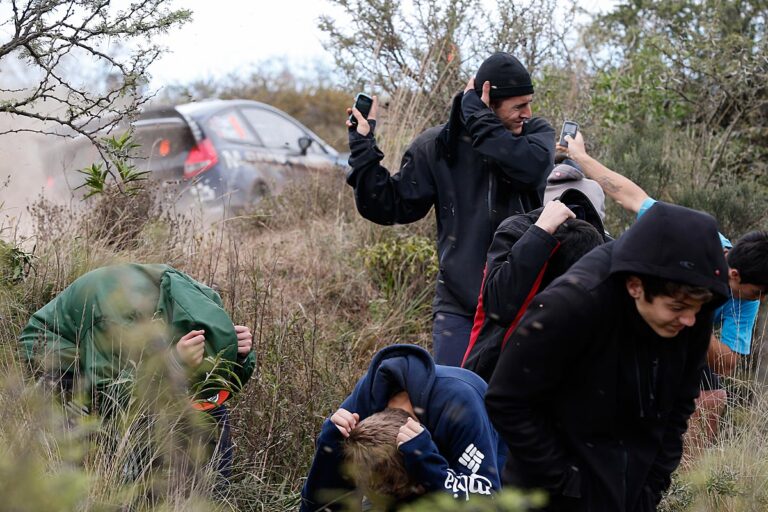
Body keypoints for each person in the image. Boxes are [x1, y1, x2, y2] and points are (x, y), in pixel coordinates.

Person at [485, 202, 731, 511]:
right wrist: (564, 480)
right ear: (635, 286)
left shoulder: (693, 302)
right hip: (550, 489)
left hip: (632, 487)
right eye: (677, 309)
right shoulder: (571, 306)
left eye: (697, 309)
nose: (689, 321)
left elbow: (678, 409)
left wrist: (651, 488)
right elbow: (507, 399)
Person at [346, 52, 555, 366]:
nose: (528, 112)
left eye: (529, 102)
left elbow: (529, 168)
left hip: (524, 300)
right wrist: (362, 148)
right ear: (489, 101)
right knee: (454, 401)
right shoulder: (437, 146)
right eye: (518, 105)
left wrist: (475, 113)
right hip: (459, 304)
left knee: (512, 409)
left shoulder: (535, 137)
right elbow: (389, 207)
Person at [563, 131, 768, 443]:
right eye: (759, 292)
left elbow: (727, 363)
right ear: (735, 274)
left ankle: (689, 484)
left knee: (713, 397)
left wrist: (698, 313)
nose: (760, 300)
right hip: (628, 316)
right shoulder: (691, 238)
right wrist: (580, 157)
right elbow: (628, 195)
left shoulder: (744, 298)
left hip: (678, 336)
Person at [18, 263, 256, 478]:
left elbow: (216, 392)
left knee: (204, 409)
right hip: (62, 355)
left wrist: (240, 359)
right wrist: (172, 365)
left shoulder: (208, 308)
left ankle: (209, 492)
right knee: (113, 426)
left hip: (140, 353)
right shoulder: (113, 318)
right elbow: (111, 398)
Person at [301, 344, 503, 511]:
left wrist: (428, 465)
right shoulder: (361, 407)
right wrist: (329, 446)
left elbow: (486, 503)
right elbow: (321, 505)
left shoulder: (462, 407)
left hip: (484, 468)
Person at [462, 188, 607, 382]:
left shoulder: (601, 253)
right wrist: (540, 234)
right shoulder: (517, 231)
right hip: (490, 373)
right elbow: (499, 307)